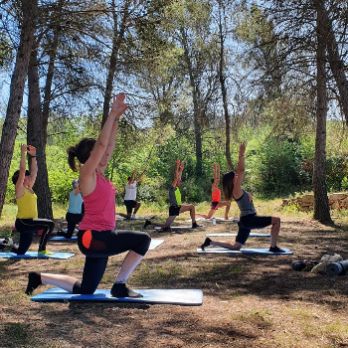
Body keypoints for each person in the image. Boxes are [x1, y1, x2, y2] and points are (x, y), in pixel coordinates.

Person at [25, 93, 151, 298]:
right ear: (91, 156)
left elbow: (108, 146)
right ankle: (119, 285)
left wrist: (117, 119)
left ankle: (39, 277)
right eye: (98, 154)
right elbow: (102, 146)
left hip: (96, 238)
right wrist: (111, 114)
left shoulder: (99, 174)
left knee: (87, 289)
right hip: (94, 237)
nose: (104, 156)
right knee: (143, 240)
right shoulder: (86, 173)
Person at [200, 143, 284, 253]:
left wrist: (249, 194)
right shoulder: (236, 189)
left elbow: (240, 174)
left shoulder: (236, 191)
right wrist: (241, 154)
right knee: (276, 221)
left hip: (245, 220)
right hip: (249, 219)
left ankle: (210, 242)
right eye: (235, 175)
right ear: (232, 180)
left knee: (236, 247)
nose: (237, 175)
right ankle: (273, 247)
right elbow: (241, 170)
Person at [0, 144, 55, 255]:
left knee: (21, 252)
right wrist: (23, 153)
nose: (29, 176)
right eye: (26, 176)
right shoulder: (20, 188)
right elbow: (22, 170)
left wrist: (34, 156)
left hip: (29, 223)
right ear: (21, 178)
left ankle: (2, 244)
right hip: (24, 222)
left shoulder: (29, 188)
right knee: (50, 224)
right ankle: (42, 250)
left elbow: (34, 172)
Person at [143, 160, 200, 232]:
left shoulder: (176, 188)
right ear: (175, 182)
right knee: (166, 226)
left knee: (191, 207)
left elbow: (178, 177)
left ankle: (194, 223)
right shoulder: (172, 188)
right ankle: (149, 223)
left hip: (178, 207)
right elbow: (176, 177)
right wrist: (177, 166)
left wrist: (181, 170)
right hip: (174, 208)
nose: (180, 182)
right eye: (179, 181)